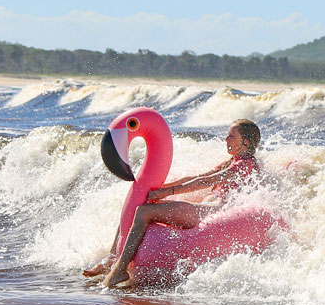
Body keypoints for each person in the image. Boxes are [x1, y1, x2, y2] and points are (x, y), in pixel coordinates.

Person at [83, 119, 262, 287]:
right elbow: (198, 177)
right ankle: (111, 258)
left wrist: (166, 192)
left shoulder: (245, 165)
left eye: (232, 136)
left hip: (209, 213)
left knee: (143, 211)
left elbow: (204, 183)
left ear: (245, 142)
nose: (226, 138)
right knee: (137, 203)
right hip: (203, 208)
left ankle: (120, 269)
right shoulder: (232, 162)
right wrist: (160, 186)